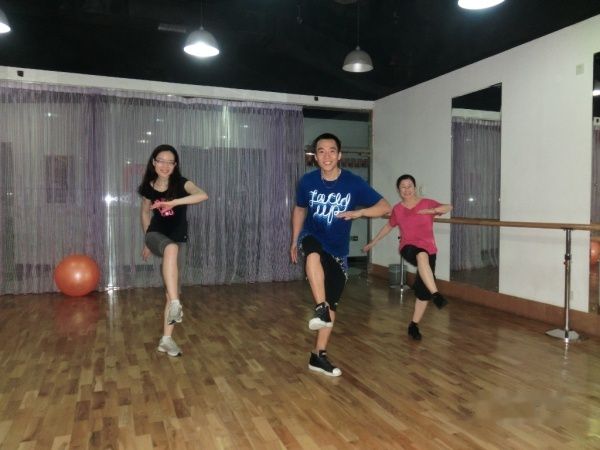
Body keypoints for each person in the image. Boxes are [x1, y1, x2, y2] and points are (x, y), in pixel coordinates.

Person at [291, 133, 391, 377]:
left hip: (338, 249)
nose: (326, 155)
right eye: (321, 151)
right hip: (312, 236)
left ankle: (318, 355)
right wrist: (294, 240)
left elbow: (385, 207)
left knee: (332, 305)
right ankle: (320, 307)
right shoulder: (307, 181)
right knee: (312, 254)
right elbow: (300, 209)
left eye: (331, 150)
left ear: (339, 155)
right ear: (315, 157)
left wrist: (359, 213)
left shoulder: (353, 183)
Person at [138, 144, 208, 357]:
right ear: (154, 162)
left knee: (171, 291)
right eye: (161, 160)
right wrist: (147, 241)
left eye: (170, 162)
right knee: (170, 248)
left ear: (175, 165)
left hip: (179, 240)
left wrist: (174, 202)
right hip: (155, 235)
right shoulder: (148, 187)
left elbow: (202, 195)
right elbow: (145, 213)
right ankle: (177, 303)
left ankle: (166, 340)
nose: (165, 165)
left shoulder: (182, 184)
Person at [363, 174, 452, 341]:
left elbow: (449, 207)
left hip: (430, 250)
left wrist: (433, 211)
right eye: (403, 187)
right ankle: (437, 294)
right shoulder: (397, 209)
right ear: (399, 190)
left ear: (414, 187)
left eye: (409, 186)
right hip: (408, 247)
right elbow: (388, 227)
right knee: (421, 255)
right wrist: (373, 242)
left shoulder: (427, 203)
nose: (406, 189)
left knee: (423, 292)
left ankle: (413, 325)